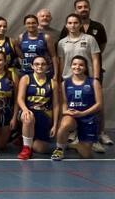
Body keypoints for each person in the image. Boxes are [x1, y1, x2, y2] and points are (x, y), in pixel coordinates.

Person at [57, 12, 105, 151]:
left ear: (80, 24)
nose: (73, 25)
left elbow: (96, 59)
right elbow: (61, 62)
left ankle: (94, 138)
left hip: (87, 79)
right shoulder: (62, 42)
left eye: (75, 23)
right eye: (70, 23)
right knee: (69, 108)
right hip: (68, 79)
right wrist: (60, 78)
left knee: (92, 108)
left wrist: (95, 78)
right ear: (66, 25)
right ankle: (71, 136)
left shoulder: (89, 39)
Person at [52, 55, 103, 160]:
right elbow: (64, 102)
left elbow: (99, 104)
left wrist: (83, 113)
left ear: (85, 67)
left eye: (81, 65)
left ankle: (74, 145)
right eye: (74, 64)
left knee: (86, 155)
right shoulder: (65, 83)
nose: (77, 67)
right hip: (72, 116)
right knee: (65, 124)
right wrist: (66, 111)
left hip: (88, 117)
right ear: (70, 66)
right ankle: (59, 149)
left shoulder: (94, 82)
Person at [17, 55, 60, 160]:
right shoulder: (26, 78)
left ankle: (25, 139)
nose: (40, 66)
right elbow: (20, 98)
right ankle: (26, 148)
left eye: (43, 64)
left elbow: (56, 104)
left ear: (47, 67)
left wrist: (55, 125)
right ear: (32, 66)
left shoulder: (52, 82)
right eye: (37, 64)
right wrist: (25, 109)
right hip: (28, 111)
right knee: (28, 118)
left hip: (44, 115)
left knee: (41, 149)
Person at [16, 14, 58, 79]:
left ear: (37, 24)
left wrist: (55, 74)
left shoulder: (46, 37)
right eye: (28, 23)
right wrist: (22, 64)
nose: (31, 25)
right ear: (25, 25)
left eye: (33, 23)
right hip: (26, 72)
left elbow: (53, 56)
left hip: (43, 72)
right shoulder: (21, 37)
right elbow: (19, 54)